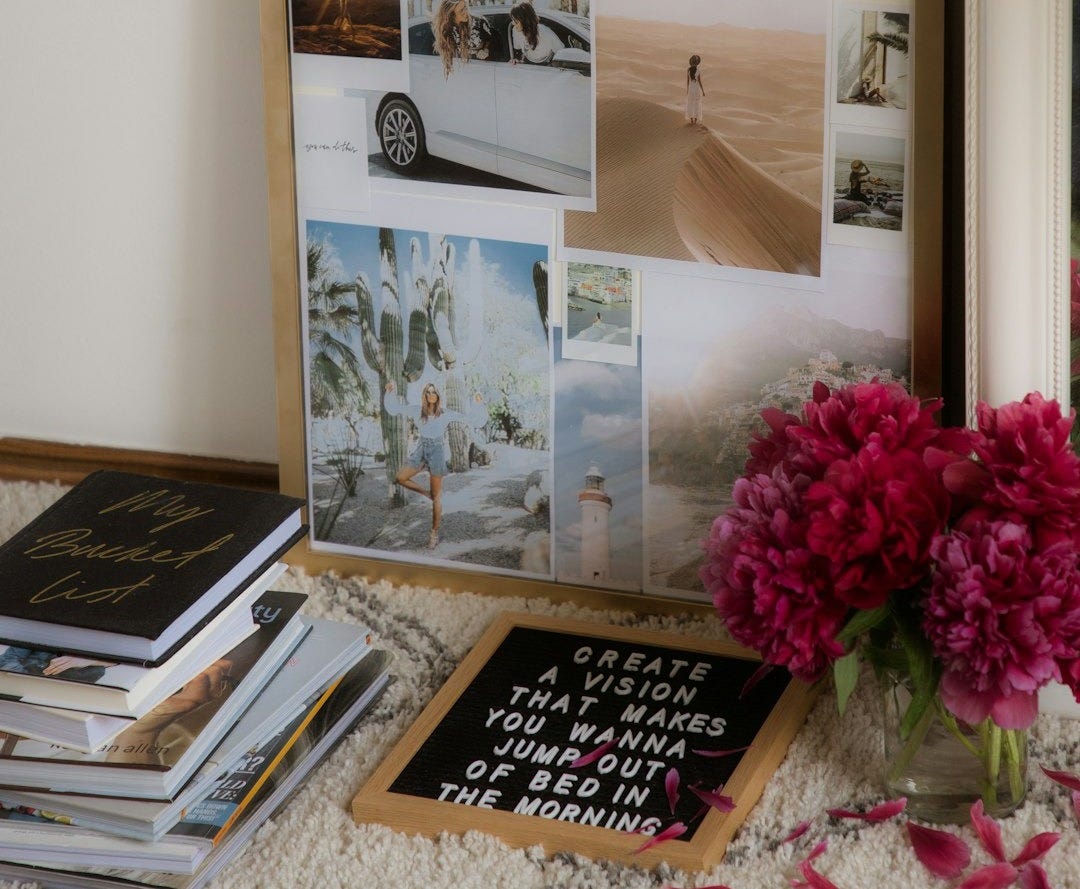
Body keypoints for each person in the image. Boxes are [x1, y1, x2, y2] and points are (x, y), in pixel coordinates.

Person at [385, 380, 486, 549]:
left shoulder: (445, 413)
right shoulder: (417, 410)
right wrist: (390, 392)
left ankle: (434, 533)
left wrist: (477, 403)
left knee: (437, 498)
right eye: (428, 392)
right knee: (400, 478)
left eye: (434, 392)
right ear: (424, 395)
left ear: (437, 395)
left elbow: (470, 419)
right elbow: (396, 408)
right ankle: (427, 494)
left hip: (437, 452)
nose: (431, 395)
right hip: (422, 449)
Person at [432, 0, 493, 78]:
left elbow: (495, 41)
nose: (466, 12)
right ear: (451, 15)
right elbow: (443, 55)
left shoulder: (479, 23)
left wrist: (486, 50)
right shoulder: (445, 32)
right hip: (459, 74)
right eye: (461, 10)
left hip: (484, 71)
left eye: (465, 7)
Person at [685, 54, 705, 125]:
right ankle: (695, 120)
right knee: (697, 104)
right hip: (696, 89)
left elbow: (687, 81)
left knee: (690, 103)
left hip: (691, 88)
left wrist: (687, 90)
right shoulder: (698, 71)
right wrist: (703, 91)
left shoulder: (688, 70)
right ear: (697, 63)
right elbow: (699, 82)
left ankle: (691, 119)